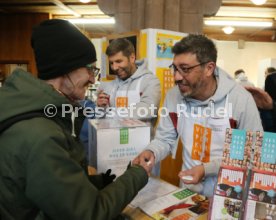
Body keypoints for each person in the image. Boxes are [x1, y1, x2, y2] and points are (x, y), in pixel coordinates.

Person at [0, 19, 151, 220]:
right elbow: (89, 213)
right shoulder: (40, 136)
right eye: (89, 68)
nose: (92, 78)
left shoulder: (35, 115)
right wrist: (138, 174)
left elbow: (55, 188)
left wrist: (101, 181)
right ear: (66, 68)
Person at [133, 34, 263, 198]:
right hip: (189, 191)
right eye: (175, 68)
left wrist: (206, 169)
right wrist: (152, 152)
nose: (177, 77)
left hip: (229, 194)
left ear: (209, 68)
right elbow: (165, 139)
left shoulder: (239, 100)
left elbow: (253, 154)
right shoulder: (174, 97)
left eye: (185, 69)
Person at [96, 38, 161, 122]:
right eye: (111, 63)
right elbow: (101, 120)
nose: (114, 67)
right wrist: (101, 108)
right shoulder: (109, 86)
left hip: (141, 135)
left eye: (118, 61)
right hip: (115, 135)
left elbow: (147, 110)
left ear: (132, 58)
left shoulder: (150, 81)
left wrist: (112, 114)